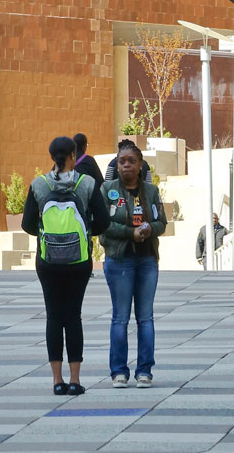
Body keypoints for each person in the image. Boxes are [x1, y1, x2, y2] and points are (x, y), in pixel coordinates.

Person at [22, 136, 109, 395]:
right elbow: (103, 222)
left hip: (48, 262)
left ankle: (56, 381)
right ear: (74, 155)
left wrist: (47, 233)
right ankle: (75, 380)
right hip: (79, 262)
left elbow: (27, 224)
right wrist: (83, 232)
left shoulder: (38, 185)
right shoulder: (87, 184)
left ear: (52, 157)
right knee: (73, 317)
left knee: (53, 317)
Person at [101, 139, 167, 388]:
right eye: (122, 161)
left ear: (140, 165)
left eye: (132, 161)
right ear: (117, 165)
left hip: (146, 259)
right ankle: (119, 371)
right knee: (120, 318)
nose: (126, 165)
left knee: (145, 318)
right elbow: (102, 225)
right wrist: (131, 233)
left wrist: (149, 229)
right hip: (119, 260)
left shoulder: (150, 191)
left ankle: (144, 371)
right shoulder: (107, 190)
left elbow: (162, 222)